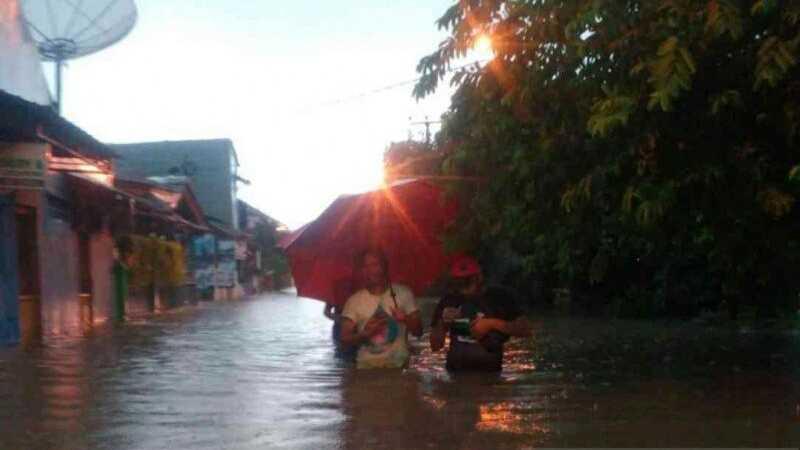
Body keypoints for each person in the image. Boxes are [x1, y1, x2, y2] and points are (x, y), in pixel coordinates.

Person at [430, 256, 531, 372]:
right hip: (455, 374)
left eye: (467, 281)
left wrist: (491, 324)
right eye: (458, 282)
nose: (463, 287)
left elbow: (525, 330)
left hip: (490, 375)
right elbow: (435, 346)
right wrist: (443, 323)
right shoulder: (449, 300)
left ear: (479, 277)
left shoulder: (500, 297)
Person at [339, 248, 423, 369]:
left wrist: (405, 319)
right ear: (361, 271)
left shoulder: (404, 293)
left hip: (399, 366)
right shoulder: (354, 301)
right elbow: (344, 339)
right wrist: (364, 334)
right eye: (365, 266)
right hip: (366, 368)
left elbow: (419, 331)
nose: (370, 271)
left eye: (375, 264)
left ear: (385, 266)